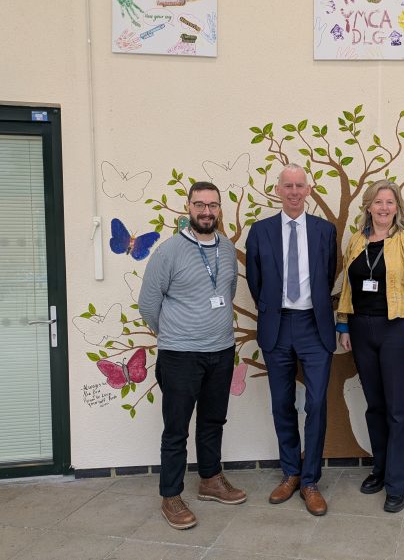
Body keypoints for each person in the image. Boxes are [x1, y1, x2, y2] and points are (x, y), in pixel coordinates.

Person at [138, 181, 246, 530]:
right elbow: (149, 304)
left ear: (219, 210)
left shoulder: (227, 249)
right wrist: (174, 333)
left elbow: (226, 292)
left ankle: (210, 480)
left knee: (214, 420)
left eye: (213, 205)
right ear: (188, 208)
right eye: (199, 205)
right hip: (180, 354)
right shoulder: (168, 251)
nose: (206, 211)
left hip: (221, 350)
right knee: (176, 429)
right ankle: (170, 495)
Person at [245, 163, 337, 516]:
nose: (295, 191)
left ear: (309, 190)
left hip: (315, 326)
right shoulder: (260, 231)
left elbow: (327, 276)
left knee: (316, 404)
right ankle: (291, 473)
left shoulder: (324, 230)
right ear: (278, 190)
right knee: (282, 403)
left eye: (300, 185)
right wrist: (274, 309)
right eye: (288, 185)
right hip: (277, 326)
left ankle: (311, 480)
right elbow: (255, 281)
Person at [337, 179, 404, 513]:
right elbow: (348, 285)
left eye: (390, 202)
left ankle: (397, 482)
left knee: (398, 409)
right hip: (362, 330)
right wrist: (344, 323)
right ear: (368, 206)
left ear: (398, 208)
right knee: (375, 405)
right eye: (378, 201)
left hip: (397, 330)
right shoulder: (356, 241)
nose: (384, 207)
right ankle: (379, 468)